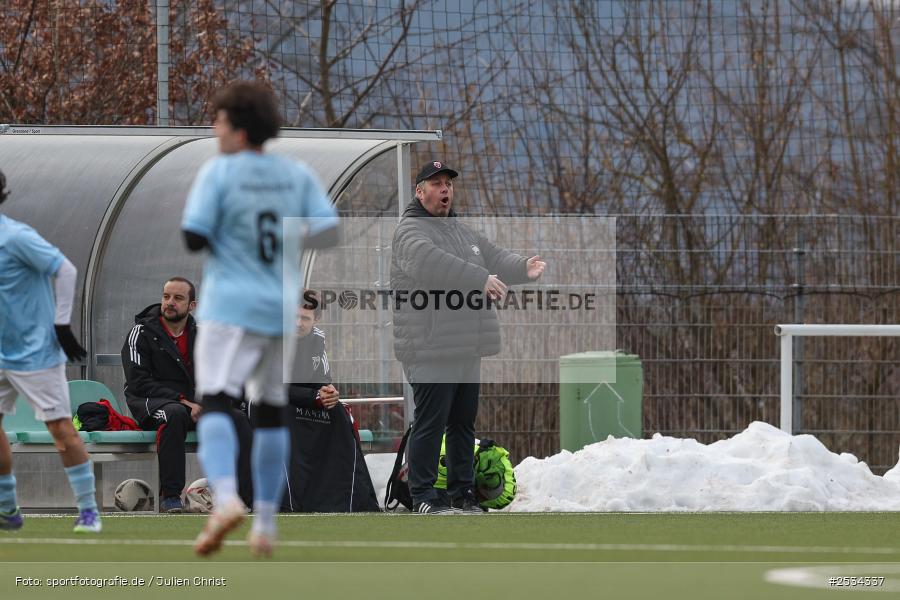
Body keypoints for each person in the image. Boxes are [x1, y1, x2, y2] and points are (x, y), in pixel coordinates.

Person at [181, 81, 339, 557]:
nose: (215, 129)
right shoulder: (295, 174)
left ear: (236, 127)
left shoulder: (219, 173)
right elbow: (329, 231)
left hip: (229, 306)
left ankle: (227, 498)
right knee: (270, 414)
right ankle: (266, 523)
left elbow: (192, 237)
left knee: (214, 403)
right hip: (276, 309)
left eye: (219, 120)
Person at [390, 160, 546, 514]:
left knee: (462, 424)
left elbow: (491, 256)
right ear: (420, 191)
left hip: (464, 346)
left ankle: (462, 492)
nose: (445, 189)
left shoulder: (460, 231)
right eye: (437, 183)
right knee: (430, 424)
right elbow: (431, 263)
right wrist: (479, 278)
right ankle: (423, 496)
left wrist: (522, 267)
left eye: (449, 183)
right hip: (429, 347)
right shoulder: (409, 231)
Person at [0, 168, 102, 533]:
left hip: (36, 353)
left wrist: (61, 326)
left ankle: (89, 511)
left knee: (60, 429)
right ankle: (8, 507)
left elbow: (66, 270)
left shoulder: (15, 237)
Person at [121, 277, 253, 513]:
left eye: (178, 298)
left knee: (239, 420)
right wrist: (184, 400)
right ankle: (171, 496)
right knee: (174, 415)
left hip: (197, 405)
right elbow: (138, 382)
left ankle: (245, 496)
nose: (169, 302)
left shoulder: (202, 336)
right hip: (152, 403)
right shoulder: (140, 333)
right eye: (166, 296)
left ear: (192, 305)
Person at [251, 291, 379, 513]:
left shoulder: (318, 338)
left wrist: (329, 393)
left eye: (305, 318)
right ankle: (285, 500)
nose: (298, 323)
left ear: (316, 320)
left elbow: (321, 382)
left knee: (339, 412)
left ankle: (347, 498)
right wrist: (314, 397)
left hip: (302, 400)